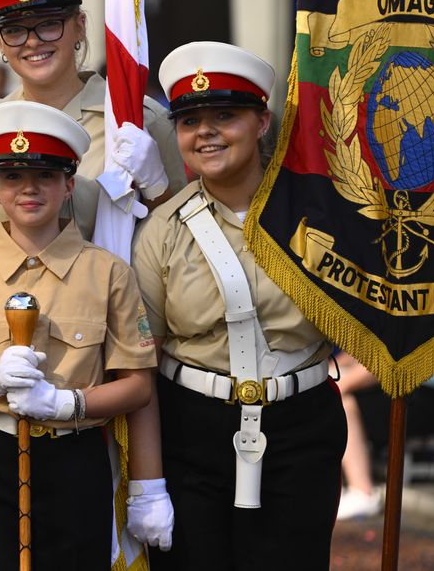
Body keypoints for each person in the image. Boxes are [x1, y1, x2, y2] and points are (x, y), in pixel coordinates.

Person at [0, 100, 162, 570]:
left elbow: (138, 385)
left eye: (45, 175)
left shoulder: (107, 272)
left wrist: (69, 404)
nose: (29, 189)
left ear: (69, 185)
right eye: (12, 177)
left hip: (76, 455)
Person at [132, 41, 347, 570]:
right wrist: (147, 482)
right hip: (193, 431)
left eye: (224, 115)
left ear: (262, 122)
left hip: (300, 428)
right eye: (189, 120)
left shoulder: (321, 214)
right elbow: (141, 364)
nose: (205, 132)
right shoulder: (160, 232)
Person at [0, 0, 187, 247]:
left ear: (79, 25)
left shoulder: (137, 119)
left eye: (49, 24)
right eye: (14, 30)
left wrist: (157, 191)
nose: (32, 41)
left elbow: (182, 245)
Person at [335, 351, 434, 519]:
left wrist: (338, 384)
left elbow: (391, 359)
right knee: (336, 388)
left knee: (340, 400)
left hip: (432, 396)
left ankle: (362, 491)